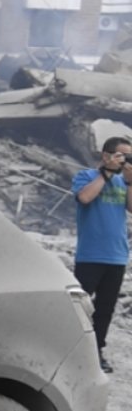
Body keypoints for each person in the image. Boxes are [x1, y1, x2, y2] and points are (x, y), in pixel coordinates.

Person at [72, 136, 132, 373]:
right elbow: (85, 197)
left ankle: (96, 351)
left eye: (129, 156)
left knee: (105, 309)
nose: (125, 161)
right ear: (106, 156)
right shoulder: (86, 176)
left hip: (117, 255)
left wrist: (129, 182)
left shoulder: (123, 181)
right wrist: (107, 172)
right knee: (81, 307)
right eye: (121, 156)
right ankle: (73, 349)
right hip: (90, 254)